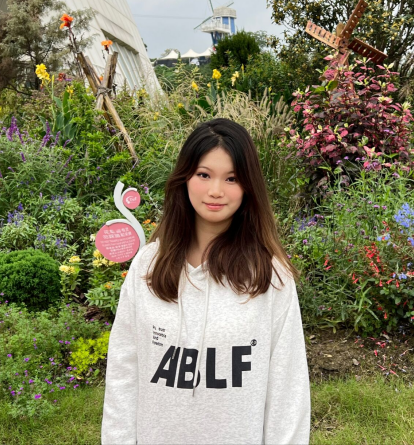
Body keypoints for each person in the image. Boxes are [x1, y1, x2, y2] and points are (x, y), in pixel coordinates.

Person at [101, 118, 311, 444]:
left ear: (248, 186)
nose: (216, 191)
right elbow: (123, 373)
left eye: (231, 178)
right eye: (204, 175)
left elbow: (288, 390)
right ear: (185, 177)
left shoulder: (271, 276)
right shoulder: (148, 265)